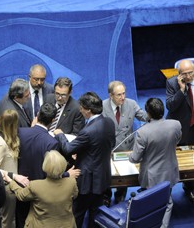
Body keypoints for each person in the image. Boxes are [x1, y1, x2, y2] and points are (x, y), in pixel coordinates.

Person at [55, 91, 116, 228]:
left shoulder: (87, 131)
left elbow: (68, 149)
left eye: (81, 107)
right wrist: (84, 151)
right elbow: (108, 144)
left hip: (87, 182)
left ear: (88, 110)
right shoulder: (109, 122)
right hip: (102, 177)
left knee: (77, 213)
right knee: (95, 213)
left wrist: (60, 135)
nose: (80, 110)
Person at [16, 102, 80, 227]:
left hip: (21, 184)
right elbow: (53, 169)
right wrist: (67, 174)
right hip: (41, 191)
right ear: (52, 120)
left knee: (20, 217)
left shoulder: (20, 132)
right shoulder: (52, 142)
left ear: (38, 115)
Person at [129, 98, 182, 228]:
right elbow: (177, 140)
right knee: (167, 201)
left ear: (148, 113)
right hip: (170, 172)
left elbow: (135, 158)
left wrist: (130, 156)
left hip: (151, 177)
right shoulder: (175, 124)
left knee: (154, 204)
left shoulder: (143, 132)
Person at [4, 150, 78, 228]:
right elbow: (74, 195)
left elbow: (21, 195)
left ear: (45, 166)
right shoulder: (71, 182)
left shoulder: (35, 185)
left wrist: (11, 182)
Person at [102, 80, 147, 204]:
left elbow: (143, 116)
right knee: (108, 174)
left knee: (124, 177)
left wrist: (153, 114)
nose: (123, 97)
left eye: (124, 93)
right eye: (119, 95)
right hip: (109, 149)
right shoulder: (102, 106)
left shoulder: (131, 104)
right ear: (111, 95)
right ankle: (106, 196)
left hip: (126, 148)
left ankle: (120, 195)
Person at [166, 58, 194, 201]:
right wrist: (181, 90)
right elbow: (170, 106)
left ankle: (191, 186)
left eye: (191, 73)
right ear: (179, 74)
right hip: (182, 127)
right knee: (181, 159)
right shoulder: (172, 83)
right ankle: (185, 186)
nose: (188, 76)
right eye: (185, 74)